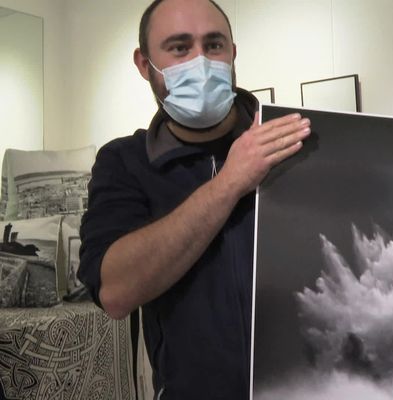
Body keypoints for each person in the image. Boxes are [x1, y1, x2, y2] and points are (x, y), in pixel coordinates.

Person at [77, 0, 310, 398]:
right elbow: (115, 292)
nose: (201, 62)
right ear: (144, 63)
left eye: (214, 45)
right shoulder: (124, 163)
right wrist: (230, 183)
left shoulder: (294, 140)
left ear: (233, 52)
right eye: (180, 48)